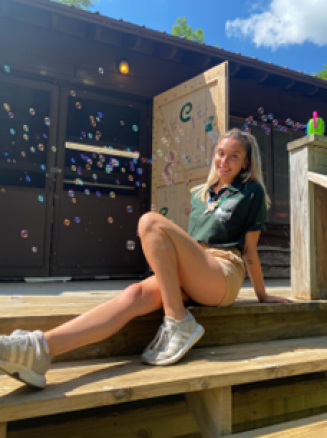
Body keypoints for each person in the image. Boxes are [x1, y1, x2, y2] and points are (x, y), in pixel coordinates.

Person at [0, 128, 291, 389]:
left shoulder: (251, 191)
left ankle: (177, 319)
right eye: (220, 153)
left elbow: (250, 249)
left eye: (234, 156)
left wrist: (263, 296)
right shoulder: (199, 194)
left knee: (150, 222)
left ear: (246, 163)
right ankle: (38, 350)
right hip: (195, 269)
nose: (224, 161)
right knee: (133, 294)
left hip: (223, 270)